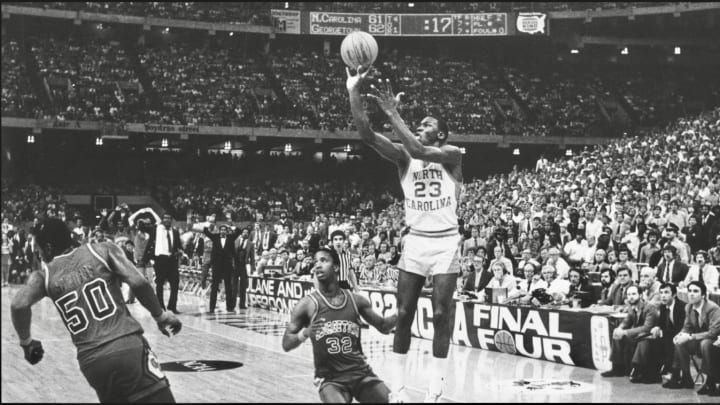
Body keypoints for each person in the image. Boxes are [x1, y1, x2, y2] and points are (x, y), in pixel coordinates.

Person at [347, 66, 464, 402]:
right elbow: (366, 135)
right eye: (420, 124)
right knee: (403, 315)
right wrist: (353, 89)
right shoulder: (402, 159)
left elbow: (420, 151)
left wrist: (392, 112)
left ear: (441, 135)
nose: (420, 127)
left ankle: (435, 391)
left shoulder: (451, 155)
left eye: (427, 125)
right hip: (414, 242)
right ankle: (397, 390)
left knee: (442, 314)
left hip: (445, 242)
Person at [10, 217, 182, 403]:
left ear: (49, 248)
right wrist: (161, 316)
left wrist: (26, 343)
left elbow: (18, 305)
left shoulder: (43, 277)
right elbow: (138, 282)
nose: (39, 255)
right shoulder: (102, 250)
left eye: (39, 250)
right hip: (127, 346)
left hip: (93, 362)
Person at [282, 248, 397, 403]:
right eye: (315, 262)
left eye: (323, 260)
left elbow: (383, 326)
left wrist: (402, 312)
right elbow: (286, 344)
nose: (317, 265)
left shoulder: (356, 300)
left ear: (336, 267)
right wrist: (305, 333)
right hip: (331, 380)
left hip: (361, 374)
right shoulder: (307, 304)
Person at [664, 281, 720, 395]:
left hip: (714, 340)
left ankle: (711, 382)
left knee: (705, 343)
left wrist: (689, 336)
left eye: (695, 291)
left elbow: (713, 332)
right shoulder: (688, 307)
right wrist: (680, 334)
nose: (691, 294)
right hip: (699, 339)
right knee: (679, 342)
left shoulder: (713, 308)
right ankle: (686, 377)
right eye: (689, 291)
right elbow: (687, 327)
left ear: (703, 295)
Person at [601, 285, 659, 381]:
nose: (631, 296)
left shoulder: (649, 307)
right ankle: (617, 367)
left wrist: (625, 332)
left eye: (633, 294)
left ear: (640, 295)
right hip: (637, 335)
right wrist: (619, 328)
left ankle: (637, 369)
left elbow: (647, 327)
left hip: (650, 336)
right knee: (617, 335)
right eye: (628, 294)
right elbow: (627, 321)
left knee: (629, 336)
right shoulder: (631, 307)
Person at [134, 208, 183, 314]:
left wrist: (180, 251)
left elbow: (179, 246)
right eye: (165, 218)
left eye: (169, 218)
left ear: (171, 220)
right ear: (162, 220)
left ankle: (172, 306)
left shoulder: (175, 231)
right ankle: (160, 306)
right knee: (159, 283)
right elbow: (141, 225)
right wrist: (149, 212)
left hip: (172, 260)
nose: (167, 220)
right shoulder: (156, 229)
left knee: (175, 283)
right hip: (160, 259)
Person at [650, 283, 687, 381]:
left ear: (674, 294)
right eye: (661, 293)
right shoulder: (663, 306)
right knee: (653, 339)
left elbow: (680, 328)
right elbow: (661, 322)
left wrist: (663, 332)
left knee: (667, 339)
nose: (663, 295)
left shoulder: (682, 307)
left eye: (666, 292)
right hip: (670, 335)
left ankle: (673, 372)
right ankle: (654, 372)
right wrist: (657, 327)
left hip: (682, 335)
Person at [234, 227, 254, 310]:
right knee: (233, 285)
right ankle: (232, 303)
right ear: (241, 233)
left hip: (244, 266)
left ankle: (242, 304)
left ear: (248, 234)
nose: (245, 233)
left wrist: (252, 268)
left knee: (243, 286)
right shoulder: (236, 241)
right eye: (244, 232)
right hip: (235, 265)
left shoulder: (251, 244)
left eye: (247, 232)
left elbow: (252, 257)